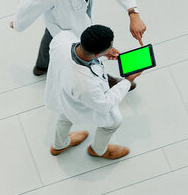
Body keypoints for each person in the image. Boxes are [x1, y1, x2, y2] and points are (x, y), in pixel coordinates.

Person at [9, 0, 146, 90]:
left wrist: (133, 13)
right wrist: (18, 23)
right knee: (75, 49)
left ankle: (41, 67)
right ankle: (99, 77)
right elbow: (30, 5)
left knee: (50, 38)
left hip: (70, 21)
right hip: (61, 22)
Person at [45, 24, 141, 160]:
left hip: (63, 92)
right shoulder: (86, 85)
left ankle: (59, 145)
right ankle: (98, 150)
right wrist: (128, 80)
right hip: (79, 99)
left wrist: (101, 54)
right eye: (109, 47)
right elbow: (105, 105)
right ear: (96, 53)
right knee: (113, 122)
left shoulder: (62, 38)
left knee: (64, 116)